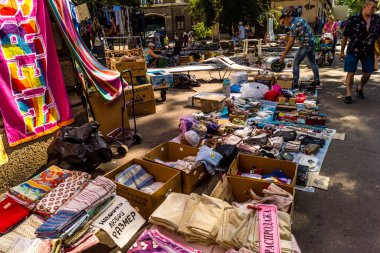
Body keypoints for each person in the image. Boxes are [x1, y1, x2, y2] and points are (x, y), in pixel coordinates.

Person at [340, 0, 380, 104]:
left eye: (375, 8)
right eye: (372, 7)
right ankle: (348, 94)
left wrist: (379, 50)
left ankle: (360, 87)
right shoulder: (353, 19)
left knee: (367, 73)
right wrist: (341, 51)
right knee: (351, 72)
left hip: (368, 51)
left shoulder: (377, 19)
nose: (374, 10)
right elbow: (345, 36)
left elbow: (378, 36)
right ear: (365, 6)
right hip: (353, 50)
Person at [279, 13, 320, 88]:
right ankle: (317, 81)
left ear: (286, 19)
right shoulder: (300, 19)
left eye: (282, 22)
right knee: (313, 62)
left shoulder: (293, 26)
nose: (284, 25)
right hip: (312, 42)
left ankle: (295, 84)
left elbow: (290, 42)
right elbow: (306, 30)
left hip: (305, 44)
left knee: (295, 63)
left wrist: (283, 55)